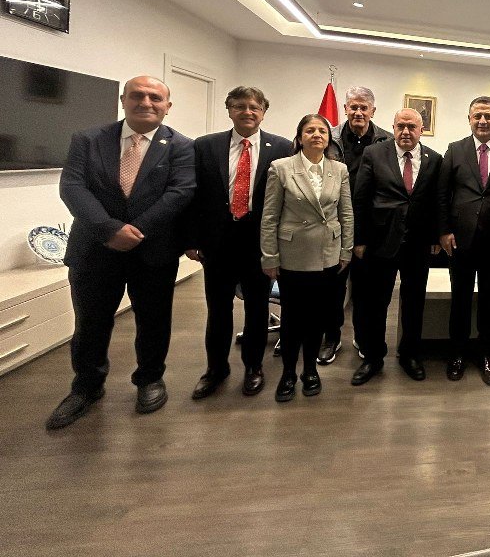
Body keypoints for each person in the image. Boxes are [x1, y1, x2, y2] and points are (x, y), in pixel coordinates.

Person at [46, 75, 195, 430]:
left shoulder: (182, 146)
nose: (146, 102)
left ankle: (150, 378)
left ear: (167, 106)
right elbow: (72, 186)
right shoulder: (88, 139)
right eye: (137, 95)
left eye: (155, 97)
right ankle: (86, 386)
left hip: (153, 252)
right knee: (90, 323)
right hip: (95, 249)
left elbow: (180, 192)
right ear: (123, 100)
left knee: (154, 321)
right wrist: (109, 229)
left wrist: (136, 231)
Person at [185, 86, 292, 399]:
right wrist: (191, 239)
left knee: (257, 310)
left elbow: (287, 200)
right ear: (229, 110)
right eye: (240, 106)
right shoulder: (205, 146)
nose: (247, 112)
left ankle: (253, 367)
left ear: (263, 113)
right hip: (217, 243)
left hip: (259, 244)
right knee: (218, 310)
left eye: (254, 107)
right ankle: (216, 369)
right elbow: (192, 196)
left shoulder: (282, 147)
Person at [261, 114, 354, 402]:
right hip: (293, 255)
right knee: (293, 319)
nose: (317, 135)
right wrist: (269, 256)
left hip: (328, 255)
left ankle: (310, 371)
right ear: (300, 137)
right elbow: (269, 216)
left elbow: (346, 213)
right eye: (310, 130)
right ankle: (288, 373)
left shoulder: (339, 169)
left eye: (322, 131)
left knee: (317, 318)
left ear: (329, 138)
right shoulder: (281, 168)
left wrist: (346, 250)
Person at [350, 109, 442, 384]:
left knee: (414, 303)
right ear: (393, 127)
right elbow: (360, 198)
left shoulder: (435, 159)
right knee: (376, 303)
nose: (405, 131)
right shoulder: (374, 154)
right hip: (380, 241)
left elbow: (437, 201)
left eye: (411, 127)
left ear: (421, 130)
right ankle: (373, 357)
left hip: (418, 244)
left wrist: (436, 237)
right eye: (400, 126)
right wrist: (359, 239)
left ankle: (410, 354)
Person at [439, 95, 490, 386]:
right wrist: (444, 231)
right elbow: (442, 193)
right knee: (460, 300)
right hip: (460, 240)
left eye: (488, 116)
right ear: (469, 119)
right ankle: (457, 354)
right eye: (478, 116)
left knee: (489, 300)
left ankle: (486, 354)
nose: (483, 121)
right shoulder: (455, 149)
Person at [321, 86, 392, 365]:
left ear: (373, 111)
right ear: (345, 109)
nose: (358, 112)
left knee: (365, 290)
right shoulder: (329, 137)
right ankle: (331, 337)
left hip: (370, 226)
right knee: (333, 288)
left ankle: (363, 337)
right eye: (353, 107)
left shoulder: (386, 140)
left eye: (364, 108)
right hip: (334, 223)